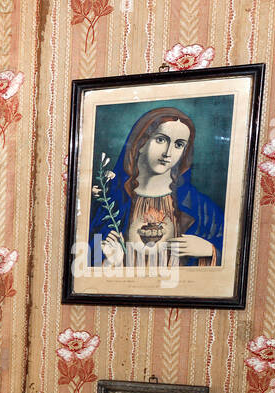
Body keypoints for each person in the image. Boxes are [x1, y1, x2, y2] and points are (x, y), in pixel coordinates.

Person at [92, 106, 224, 270]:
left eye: (179, 144)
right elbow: (85, 268)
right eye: (161, 140)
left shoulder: (199, 206)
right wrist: (113, 262)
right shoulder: (110, 204)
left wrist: (209, 250)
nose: (168, 153)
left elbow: (232, 258)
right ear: (141, 142)